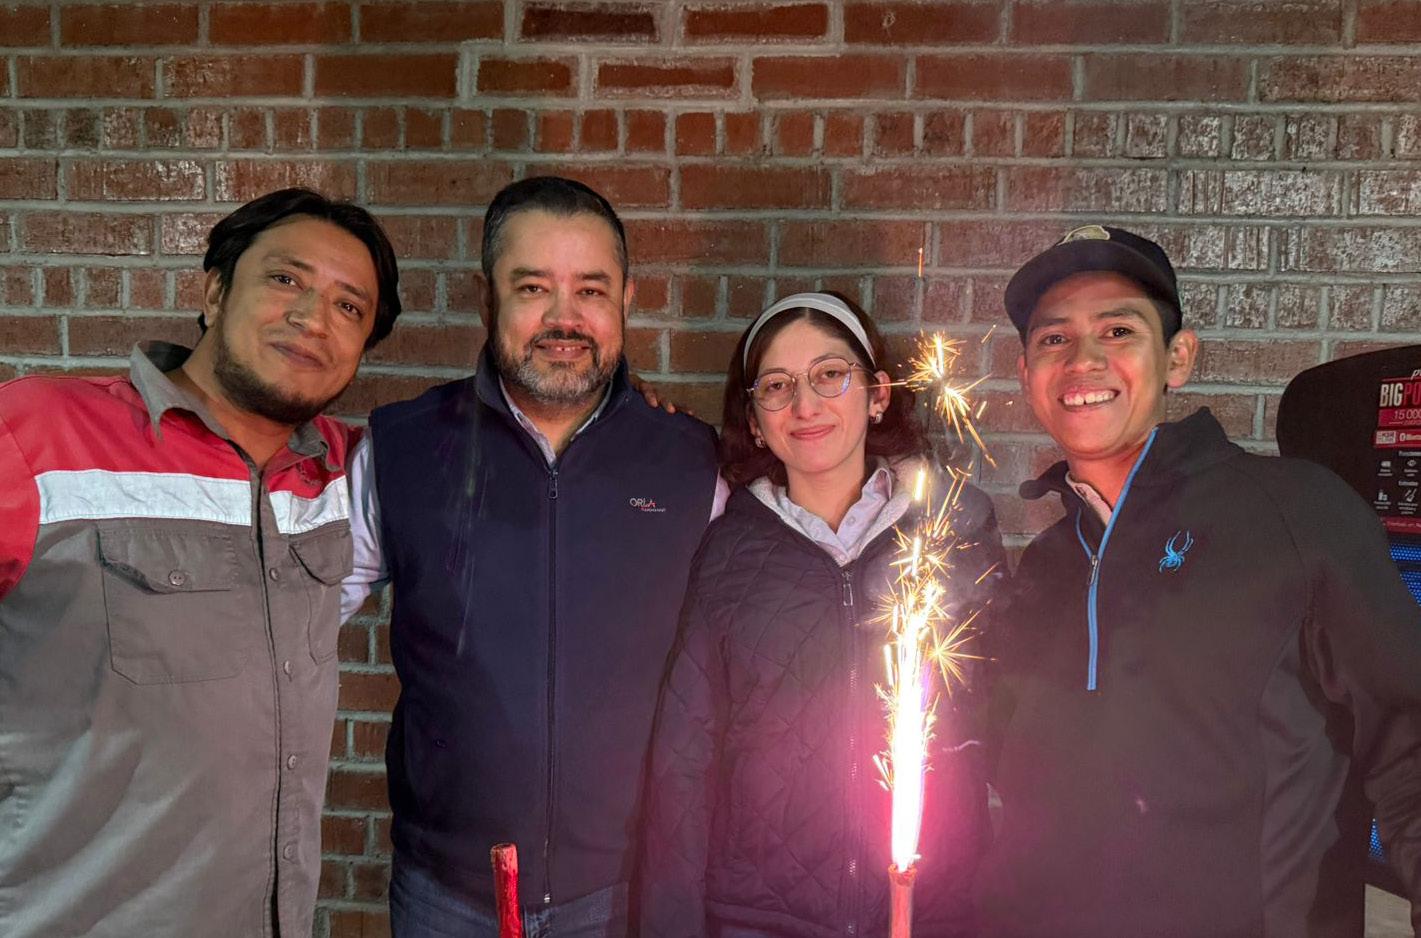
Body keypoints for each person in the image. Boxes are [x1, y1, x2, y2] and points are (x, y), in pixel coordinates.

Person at [975, 224, 1421, 937]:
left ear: (1177, 358)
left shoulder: (1298, 515)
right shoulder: (1047, 564)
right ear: (1026, 374)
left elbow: (1409, 747)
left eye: (1118, 330)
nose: (1083, 359)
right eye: (1054, 339)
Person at [0, 187, 403, 937]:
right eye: (285, 279)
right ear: (215, 292)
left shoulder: (345, 474)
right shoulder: (35, 435)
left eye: (349, 306)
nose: (312, 317)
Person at [341, 176, 724, 937]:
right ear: (485, 300)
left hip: (623, 890)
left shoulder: (691, 463)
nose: (564, 318)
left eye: (591, 290)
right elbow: (297, 623)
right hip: (448, 894)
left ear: (626, 300)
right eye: (532, 288)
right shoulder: (400, 450)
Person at [639, 293, 1005, 937]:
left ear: (878, 394)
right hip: (763, 918)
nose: (805, 405)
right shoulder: (726, 553)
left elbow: (1001, 719)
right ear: (755, 421)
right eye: (777, 386)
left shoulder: (955, 527)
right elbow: (684, 759)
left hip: (931, 913)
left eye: (830, 374)